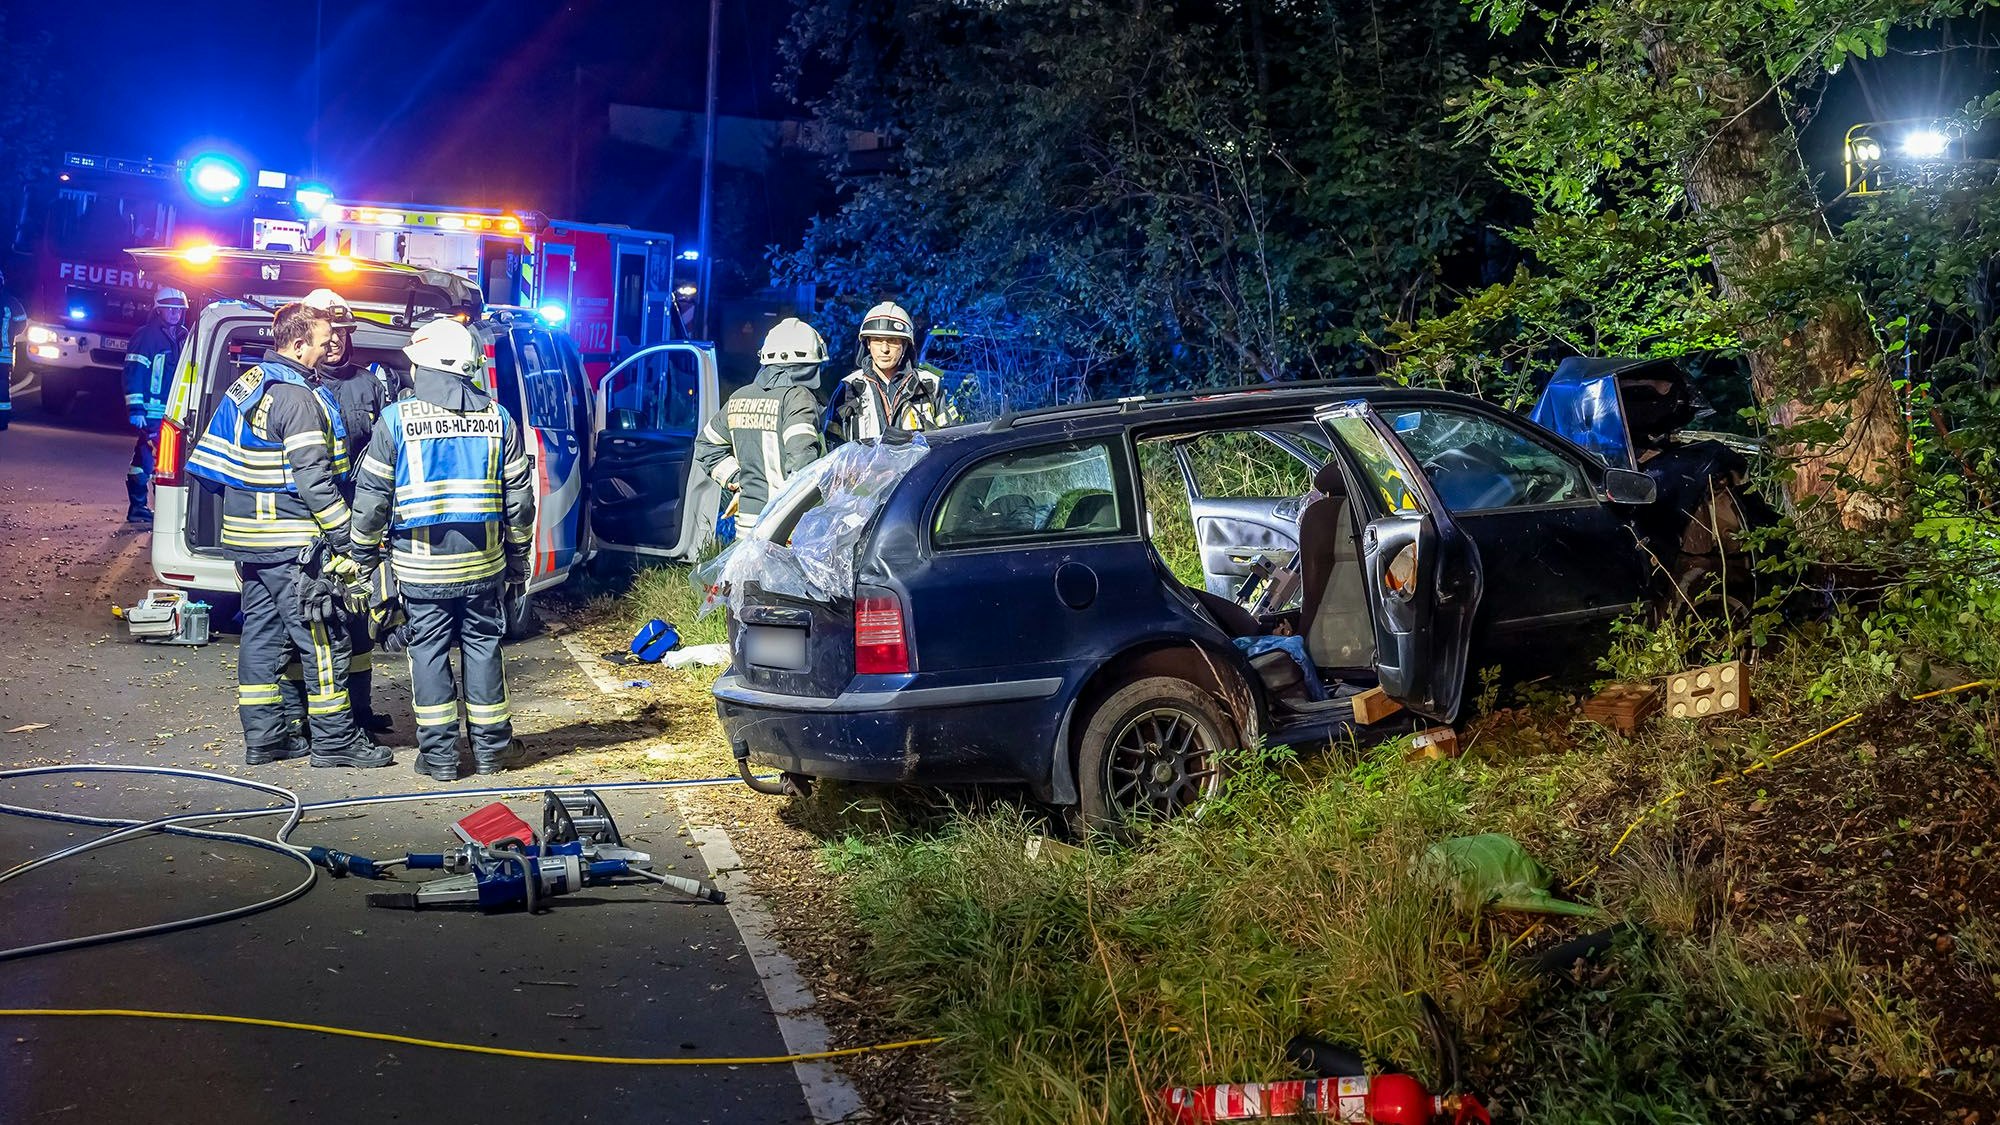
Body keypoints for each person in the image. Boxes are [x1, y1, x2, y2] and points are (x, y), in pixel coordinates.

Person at [185, 302, 389, 768]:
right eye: (320, 340)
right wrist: (346, 539)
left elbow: (215, 469)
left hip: (251, 539)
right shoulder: (297, 399)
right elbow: (314, 481)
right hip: (293, 541)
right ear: (299, 345)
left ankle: (267, 738)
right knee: (325, 638)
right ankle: (336, 742)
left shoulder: (252, 383)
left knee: (261, 636)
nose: (327, 346)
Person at [350, 317, 535, 782]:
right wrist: (518, 560)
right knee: (483, 649)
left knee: (428, 652)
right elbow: (520, 502)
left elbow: (372, 500)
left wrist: (362, 557)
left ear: (425, 367)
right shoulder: (498, 417)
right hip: (484, 564)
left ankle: (439, 758)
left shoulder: (396, 421)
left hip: (421, 568)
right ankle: (493, 752)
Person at [302, 287, 394, 734]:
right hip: (307, 521)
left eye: (342, 331)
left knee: (358, 620)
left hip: (356, 518)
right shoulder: (296, 384)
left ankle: (359, 712)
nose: (336, 339)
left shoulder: (369, 384)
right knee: (313, 620)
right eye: (329, 330)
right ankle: (309, 718)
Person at [692, 318, 827, 531]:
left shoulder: (739, 397)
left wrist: (737, 480)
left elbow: (705, 446)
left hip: (747, 524)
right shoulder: (798, 397)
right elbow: (802, 464)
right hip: (786, 527)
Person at [824, 301, 958, 444]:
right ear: (868, 344)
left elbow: (951, 438)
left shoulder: (929, 385)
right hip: (865, 467)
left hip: (920, 466)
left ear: (905, 345)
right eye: (877, 340)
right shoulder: (849, 388)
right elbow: (833, 447)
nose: (885, 349)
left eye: (892, 340)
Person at [121, 287, 191, 522]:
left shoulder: (184, 336)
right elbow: (134, 372)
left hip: (172, 410)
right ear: (158, 309)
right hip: (150, 411)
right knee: (160, 459)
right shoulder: (146, 336)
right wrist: (136, 408)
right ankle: (159, 511)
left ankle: (139, 508)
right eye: (170, 308)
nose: (175, 313)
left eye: (179, 309)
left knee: (145, 458)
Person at [0, 269, 17, 432]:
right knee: (2, 385)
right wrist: (11, 333)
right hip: (4, 354)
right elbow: (22, 321)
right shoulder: (10, 302)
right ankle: (3, 419)